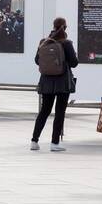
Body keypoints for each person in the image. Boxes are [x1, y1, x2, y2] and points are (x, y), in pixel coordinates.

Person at [31, 17, 79, 152]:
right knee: (59, 112)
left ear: (53, 26)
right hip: (62, 82)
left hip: (46, 81)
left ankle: (34, 141)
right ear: (65, 27)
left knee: (44, 111)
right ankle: (54, 143)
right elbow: (74, 63)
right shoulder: (66, 43)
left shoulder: (44, 42)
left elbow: (36, 60)